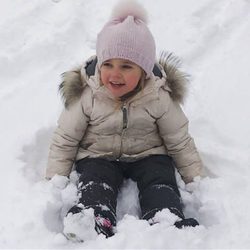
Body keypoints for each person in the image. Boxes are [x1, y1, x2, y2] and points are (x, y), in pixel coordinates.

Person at [46, 0, 204, 242]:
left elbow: (178, 138)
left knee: (160, 179)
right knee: (95, 180)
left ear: (144, 70)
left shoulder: (158, 95)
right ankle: (95, 217)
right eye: (107, 64)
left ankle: (165, 218)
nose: (115, 74)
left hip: (148, 153)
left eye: (126, 66)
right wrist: (56, 177)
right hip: (99, 154)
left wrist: (193, 176)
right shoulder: (88, 94)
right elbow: (66, 137)